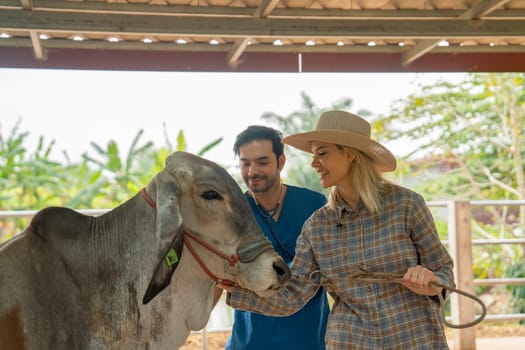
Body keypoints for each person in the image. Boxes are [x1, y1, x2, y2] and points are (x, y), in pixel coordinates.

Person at [222, 111, 455, 349]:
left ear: (350, 154)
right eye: (313, 155)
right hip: (350, 341)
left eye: (322, 153)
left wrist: (432, 280)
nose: (314, 164)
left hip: (415, 338)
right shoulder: (317, 226)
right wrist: (235, 291)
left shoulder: (407, 205)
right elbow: (293, 295)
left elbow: (443, 270)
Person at [224, 125, 330, 350]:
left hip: (308, 339)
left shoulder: (314, 205)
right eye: (245, 163)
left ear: (281, 161)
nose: (252, 171)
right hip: (250, 342)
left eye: (262, 162)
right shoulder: (232, 214)